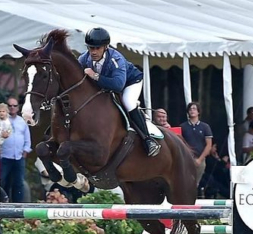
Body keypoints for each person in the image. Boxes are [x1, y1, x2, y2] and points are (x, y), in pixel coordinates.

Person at [78, 27, 160, 157]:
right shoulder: (84, 59)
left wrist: (95, 76)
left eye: (97, 48)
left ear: (105, 47)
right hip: (106, 86)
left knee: (128, 102)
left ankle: (148, 140)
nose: (93, 52)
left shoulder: (116, 59)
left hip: (130, 82)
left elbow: (118, 85)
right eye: (90, 48)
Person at [0, 96, 31, 203]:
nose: (12, 107)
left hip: (19, 157)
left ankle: (18, 209)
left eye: (15, 106)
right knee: (3, 182)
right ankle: (2, 206)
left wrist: (25, 151)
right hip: (5, 157)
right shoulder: (0, 121)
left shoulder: (22, 121)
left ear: (18, 108)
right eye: (10, 105)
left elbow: (27, 139)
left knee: (19, 183)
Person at [180, 102, 213, 186]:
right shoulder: (182, 126)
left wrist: (200, 160)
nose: (192, 110)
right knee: (185, 182)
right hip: (186, 159)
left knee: (195, 183)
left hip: (200, 159)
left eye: (194, 108)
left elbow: (208, 145)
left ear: (198, 112)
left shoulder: (205, 127)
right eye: (190, 109)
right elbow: (180, 143)